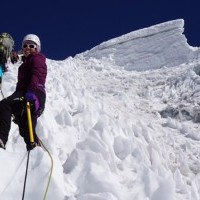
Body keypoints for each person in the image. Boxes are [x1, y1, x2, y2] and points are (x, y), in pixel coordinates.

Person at [0, 34, 47, 151]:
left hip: (33, 92)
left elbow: (37, 74)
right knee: (25, 128)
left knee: (4, 105)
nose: (27, 47)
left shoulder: (37, 58)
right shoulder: (26, 63)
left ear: (37, 48)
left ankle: (1, 139)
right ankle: (36, 150)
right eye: (25, 45)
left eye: (32, 45)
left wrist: (31, 92)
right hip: (26, 93)